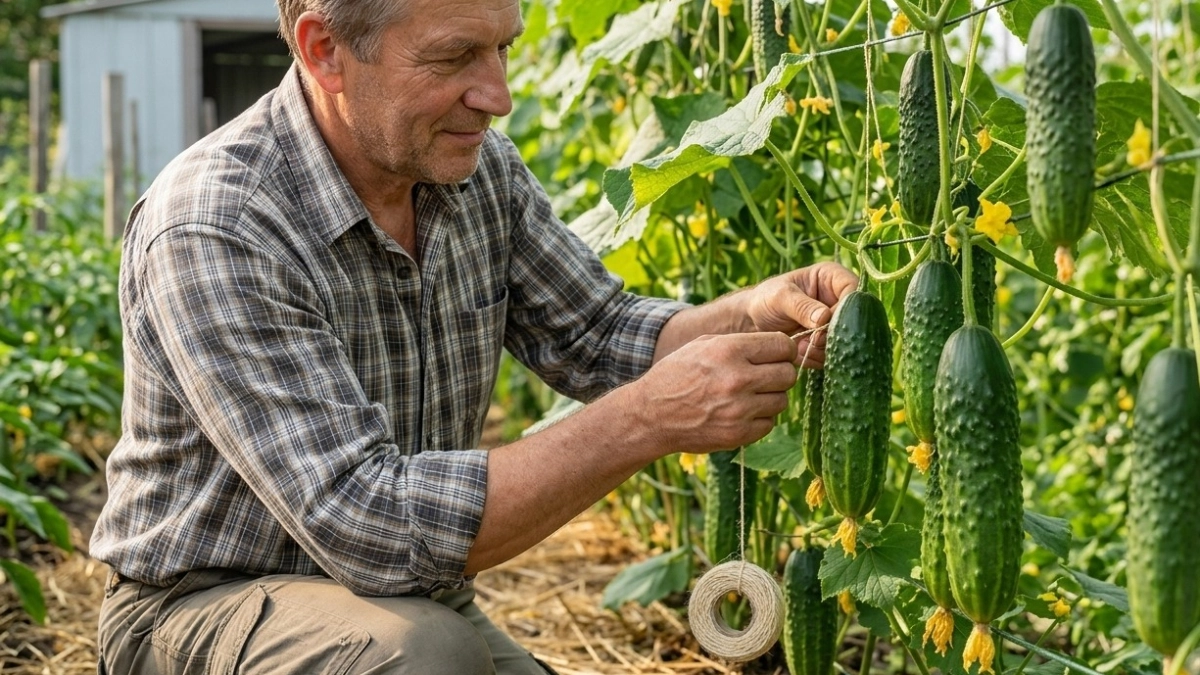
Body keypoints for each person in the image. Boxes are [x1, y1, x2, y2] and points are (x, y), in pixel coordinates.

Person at [91, 0, 859, 672]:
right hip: (202, 610)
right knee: (429, 657)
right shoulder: (219, 223)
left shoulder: (473, 170)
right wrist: (648, 418)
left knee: (431, 644)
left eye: (504, 48)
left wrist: (749, 312)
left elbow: (597, 331)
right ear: (325, 50)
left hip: (408, 603)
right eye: (454, 56)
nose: (499, 96)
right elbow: (364, 523)